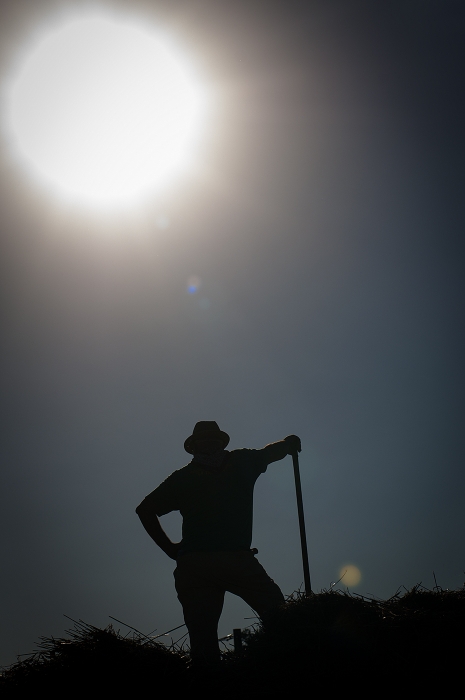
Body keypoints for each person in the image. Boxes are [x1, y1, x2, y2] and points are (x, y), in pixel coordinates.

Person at [136, 421, 301, 664]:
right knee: (274, 611)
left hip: (203, 564)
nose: (209, 443)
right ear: (195, 446)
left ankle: (215, 679)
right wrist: (288, 445)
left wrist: (286, 445)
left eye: (211, 439)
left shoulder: (190, 476)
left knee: (208, 638)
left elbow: (145, 510)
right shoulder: (235, 463)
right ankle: (285, 662)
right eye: (205, 440)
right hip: (223, 561)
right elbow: (144, 510)